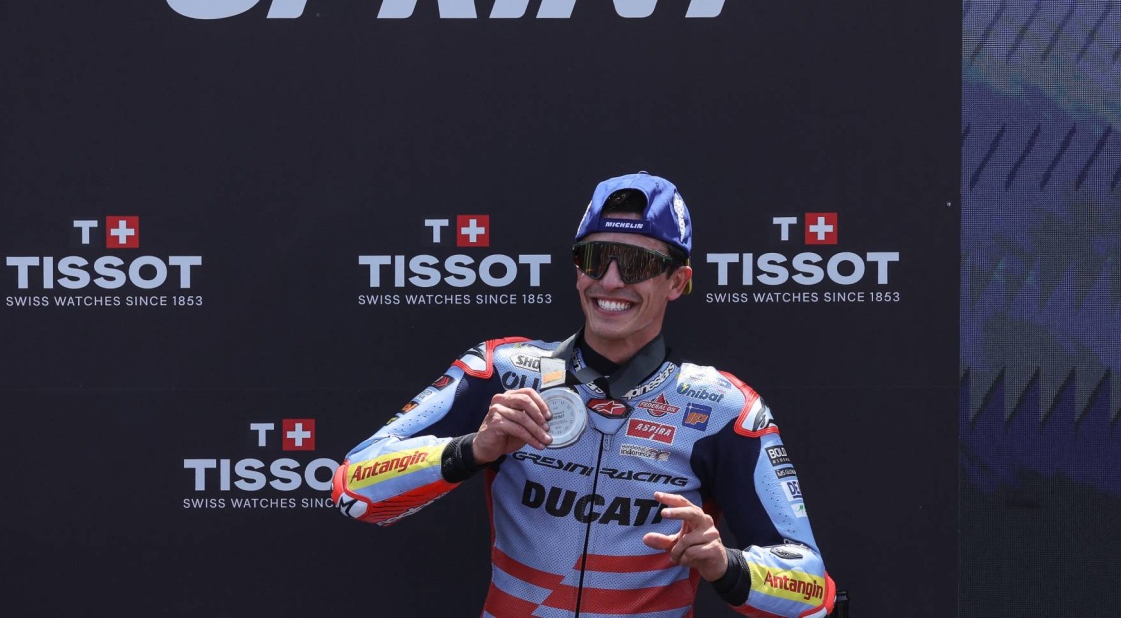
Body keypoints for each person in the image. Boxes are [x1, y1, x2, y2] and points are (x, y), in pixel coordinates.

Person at [332, 172, 836, 617]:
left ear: (677, 281)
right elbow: (353, 489)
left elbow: (813, 591)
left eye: (636, 263)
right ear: (576, 269)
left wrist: (726, 565)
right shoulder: (502, 371)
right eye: (594, 258)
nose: (610, 281)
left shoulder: (723, 408)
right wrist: (470, 450)